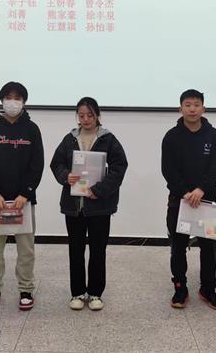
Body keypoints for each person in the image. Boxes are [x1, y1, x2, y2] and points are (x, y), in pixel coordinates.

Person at [50, 97, 128, 311]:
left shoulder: (108, 139)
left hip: (99, 206)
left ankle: (95, 293)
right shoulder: (70, 139)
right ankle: (77, 292)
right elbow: (56, 163)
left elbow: (119, 167)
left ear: (97, 116)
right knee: (75, 251)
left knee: (98, 251)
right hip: (73, 206)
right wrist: (65, 176)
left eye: (90, 115)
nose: (85, 119)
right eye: (81, 115)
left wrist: (99, 190)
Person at [0, 82, 44, 312]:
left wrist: (25, 193)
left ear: (24, 102)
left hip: (23, 201)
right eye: (8, 97)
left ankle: (26, 289)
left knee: (26, 249)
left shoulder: (32, 130)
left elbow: (37, 164)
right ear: (1, 100)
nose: (12, 102)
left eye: (17, 98)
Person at [161, 89, 216, 310]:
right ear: (180, 108)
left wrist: (201, 190)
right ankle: (180, 288)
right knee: (178, 247)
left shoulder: (214, 136)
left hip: (207, 202)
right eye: (187, 105)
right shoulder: (171, 136)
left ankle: (208, 289)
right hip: (179, 201)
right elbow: (168, 170)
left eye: (197, 105)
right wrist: (186, 192)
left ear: (203, 108)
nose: (192, 109)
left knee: (208, 248)